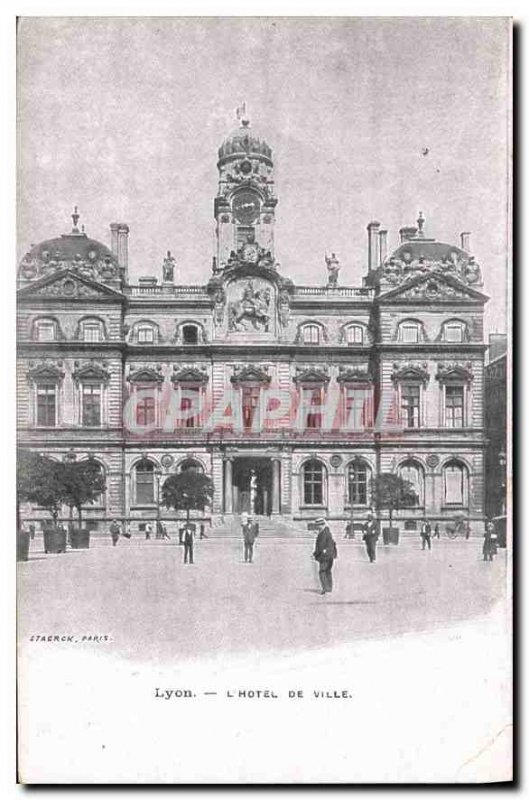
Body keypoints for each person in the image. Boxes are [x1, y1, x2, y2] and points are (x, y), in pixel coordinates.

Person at [313, 517, 337, 594]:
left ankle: (325, 588)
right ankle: (329, 587)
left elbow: (321, 546)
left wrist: (315, 554)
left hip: (325, 556)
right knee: (328, 571)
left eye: (318, 526)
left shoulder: (323, 533)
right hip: (330, 555)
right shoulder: (327, 532)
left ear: (321, 525)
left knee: (322, 571)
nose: (317, 527)